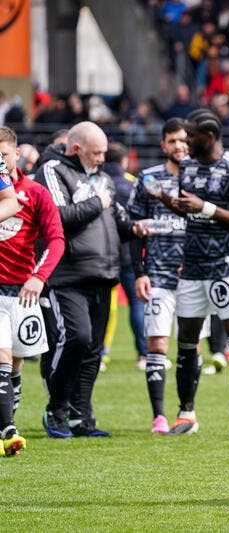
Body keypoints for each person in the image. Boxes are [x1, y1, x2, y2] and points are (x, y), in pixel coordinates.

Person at [35, 121, 147, 438]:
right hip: (67, 273)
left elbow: (117, 218)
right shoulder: (53, 171)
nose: (102, 159)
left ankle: (81, 417)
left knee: (92, 352)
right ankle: (56, 411)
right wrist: (98, 202)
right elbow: (57, 217)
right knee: (77, 339)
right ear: (76, 149)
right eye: (96, 153)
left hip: (103, 273)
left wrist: (137, 227)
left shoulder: (100, 177)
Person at [165, 109, 229, 438]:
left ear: (208, 137)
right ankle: (186, 414)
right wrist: (173, 205)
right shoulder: (187, 166)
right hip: (192, 265)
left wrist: (205, 208)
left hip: (228, 265)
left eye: (189, 136)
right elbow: (191, 209)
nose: (184, 143)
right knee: (187, 342)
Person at [127, 118, 202, 433]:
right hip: (157, 274)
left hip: (196, 277)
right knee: (156, 344)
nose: (179, 146)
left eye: (184, 140)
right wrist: (139, 272)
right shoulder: (147, 179)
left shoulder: (203, 178)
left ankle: (188, 413)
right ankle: (158, 417)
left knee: (191, 345)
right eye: (173, 141)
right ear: (163, 145)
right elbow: (134, 229)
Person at [0, 126, 64, 456]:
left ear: (16, 154)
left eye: (3, 154)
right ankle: (6, 428)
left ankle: (7, 421)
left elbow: (56, 240)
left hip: (23, 291)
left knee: (16, 365)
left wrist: (39, 277)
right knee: (2, 355)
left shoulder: (36, 192)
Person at [104, 143, 147, 370]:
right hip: (130, 252)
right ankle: (143, 354)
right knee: (137, 304)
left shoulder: (98, 182)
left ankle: (101, 354)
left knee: (104, 305)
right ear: (124, 162)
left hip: (104, 252)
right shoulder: (133, 183)